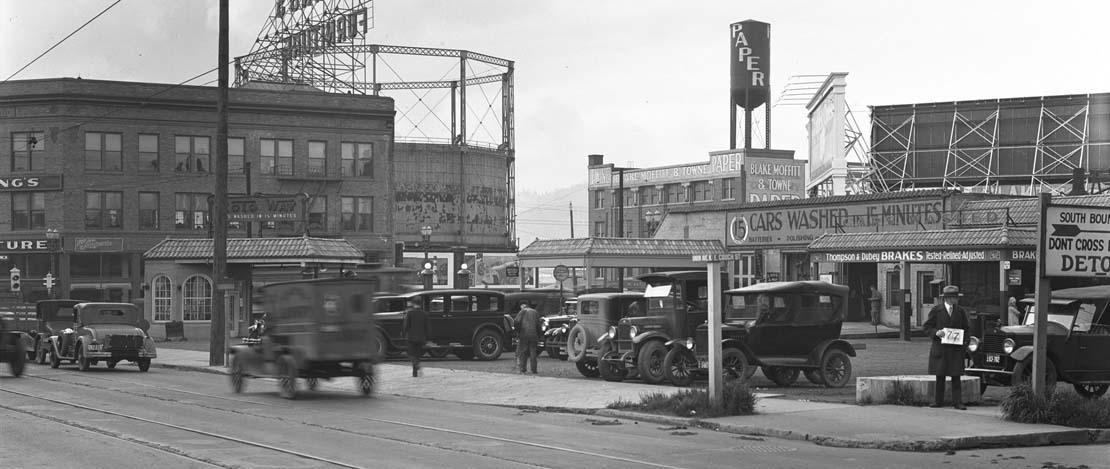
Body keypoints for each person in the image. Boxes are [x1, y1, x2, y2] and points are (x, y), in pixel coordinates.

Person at [923, 285, 970, 410]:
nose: (957, 300)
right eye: (955, 297)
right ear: (948, 298)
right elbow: (927, 327)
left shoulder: (960, 311)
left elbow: (966, 328)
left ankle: (958, 402)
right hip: (941, 348)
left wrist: (965, 342)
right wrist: (936, 333)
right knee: (940, 376)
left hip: (955, 349)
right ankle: (938, 401)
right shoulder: (936, 310)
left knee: (956, 376)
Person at [402, 297, 428, 377]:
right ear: (420, 304)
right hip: (421, 337)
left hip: (411, 337)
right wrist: (426, 337)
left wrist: (404, 333)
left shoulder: (410, 313)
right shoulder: (424, 314)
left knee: (410, 353)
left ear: (413, 304)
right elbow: (427, 327)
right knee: (417, 354)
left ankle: (416, 365)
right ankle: (415, 373)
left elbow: (406, 325)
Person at [514, 300, 542, 374]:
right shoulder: (535, 312)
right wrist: (540, 335)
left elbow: (516, 322)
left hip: (523, 334)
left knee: (523, 352)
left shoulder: (522, 312)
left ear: (522, 305)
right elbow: (539, 325)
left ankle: (523, 369)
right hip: (534, 335)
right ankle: (534, 370)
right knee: (533, 352)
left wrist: (518, 331)